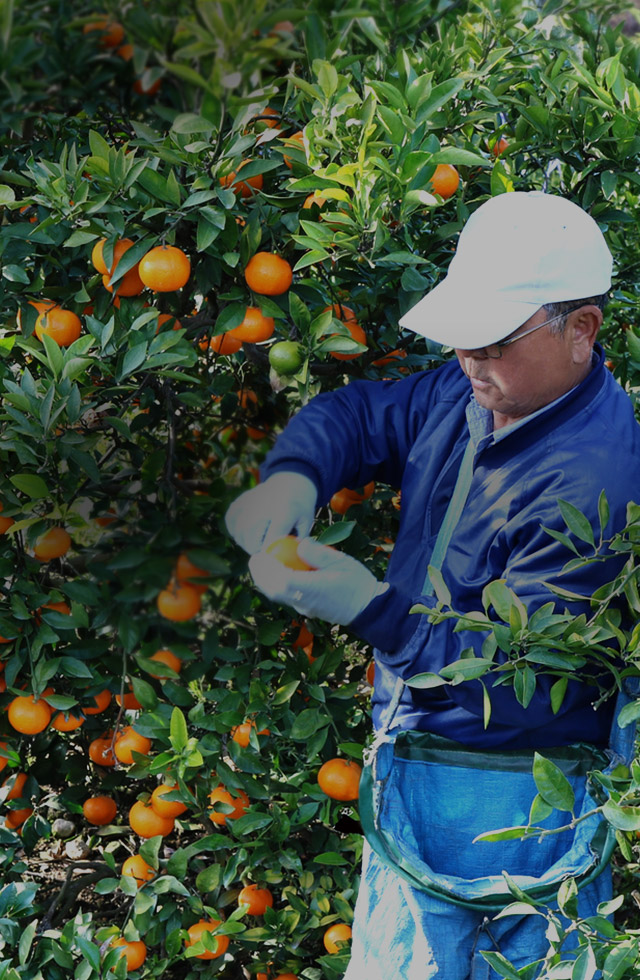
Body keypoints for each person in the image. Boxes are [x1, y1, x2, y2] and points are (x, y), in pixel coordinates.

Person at [225, 191, 640, 978]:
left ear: (581, 329)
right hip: (416, 762)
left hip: (519, 794)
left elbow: (518, 683)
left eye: (493, 341)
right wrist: (297, 477)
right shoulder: (477, 391)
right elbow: (361, 415)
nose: (469, 360)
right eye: (462, 338)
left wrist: (373, 610)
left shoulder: (597, 483)